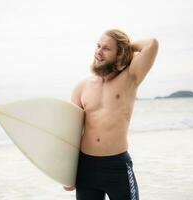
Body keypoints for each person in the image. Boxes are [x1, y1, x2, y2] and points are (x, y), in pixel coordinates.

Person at [63, 29, 159, 200]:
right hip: (86, 168)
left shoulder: (130, 78)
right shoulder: (82, 87)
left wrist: (127, 47)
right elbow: (72, 133)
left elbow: (152, 44)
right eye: (98, 46)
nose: (98, 52)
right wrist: (67, 172)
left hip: (117, 166)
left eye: (106, 48)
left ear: (119, 53)